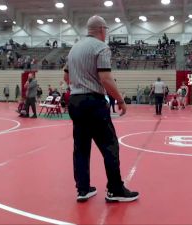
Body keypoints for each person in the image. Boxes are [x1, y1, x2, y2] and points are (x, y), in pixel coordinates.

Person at [64, 15, 139, 202]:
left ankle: (83, 189)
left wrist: (80, 83)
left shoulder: (74, 48)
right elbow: (105, 78)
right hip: (93, 102)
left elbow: (66, 77)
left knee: (80, 147)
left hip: (75, 101)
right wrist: (120, 99)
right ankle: (115, 189)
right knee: (109, 145)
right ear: (102, 30)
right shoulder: (101, 48)